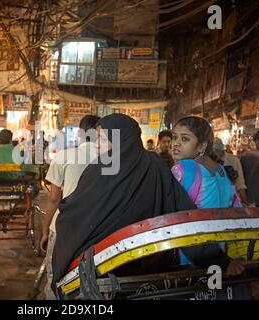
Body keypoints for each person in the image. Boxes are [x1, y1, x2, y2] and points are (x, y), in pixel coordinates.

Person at [52, 114, 197, 288]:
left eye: (102, 139)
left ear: (122, 139)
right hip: (149, 266)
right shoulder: (156, 165)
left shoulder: (101, 169)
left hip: (103, 268)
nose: (97, 144)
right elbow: (184, 212)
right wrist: (217, 260)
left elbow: (75, 214)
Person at [171, 116, 244, 275]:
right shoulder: (223, 171)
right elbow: (237, 208)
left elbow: (172, 214)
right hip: (221, 251)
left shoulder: (183, 169)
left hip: (192, 253)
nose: (175, 143)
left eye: (185, 139)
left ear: (202, 146)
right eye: (174, 137)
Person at [41, 115, 100, 300]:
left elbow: (53, 198)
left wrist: (44, 231)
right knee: (90, 279)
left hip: (63, 226)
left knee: (55, 277)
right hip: (96, 228)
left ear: (80, 133)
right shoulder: (111, 159)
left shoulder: (64, 156)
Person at [213, 138, 249, 205]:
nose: (215, 154)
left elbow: (240, 184)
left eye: (216, 151)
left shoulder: (234, 160)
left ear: (221, 150)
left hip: (232, 201)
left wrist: (245, 202)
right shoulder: (209, 160)